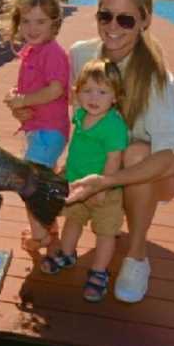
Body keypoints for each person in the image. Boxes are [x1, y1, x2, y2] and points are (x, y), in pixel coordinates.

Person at [12, 0, 174, 304]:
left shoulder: (157, 78)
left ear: (145, 20)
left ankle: (136, 256)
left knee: (136, 153)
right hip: (98, 161)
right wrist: (23, 112)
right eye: (105, 16)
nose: (113, 27)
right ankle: (59, 236)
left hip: (155, 172)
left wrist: (107, 181)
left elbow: (170, 156)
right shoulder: (82, 55)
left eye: (126, 19)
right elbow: (59, 103)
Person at [0, 0, 70, 258]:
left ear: (54, 24)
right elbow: (32, 87)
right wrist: (16, 96)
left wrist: (24, 101)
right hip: (39, 130)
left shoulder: (53, 53)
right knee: (42, 181)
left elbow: (56, 89)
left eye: (40, 22)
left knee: (30, 184)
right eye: (27, 21)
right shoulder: (32, 50)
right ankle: (49, 227)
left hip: (48, 132)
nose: (32, 29)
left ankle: (40, 236)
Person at [40, 58, 129, 303]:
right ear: (78, 94)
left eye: (102, 92)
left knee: (105, 232)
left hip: (105, 190)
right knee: (73, 220)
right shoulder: (80, 115)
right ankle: (67, 253)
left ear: (115, 97)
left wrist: (103, 185)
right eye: (87, 90)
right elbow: (77, 146)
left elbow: (113, 158)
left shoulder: (113, 125)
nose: (94, 97)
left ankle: (99, 272)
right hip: (77, 184)